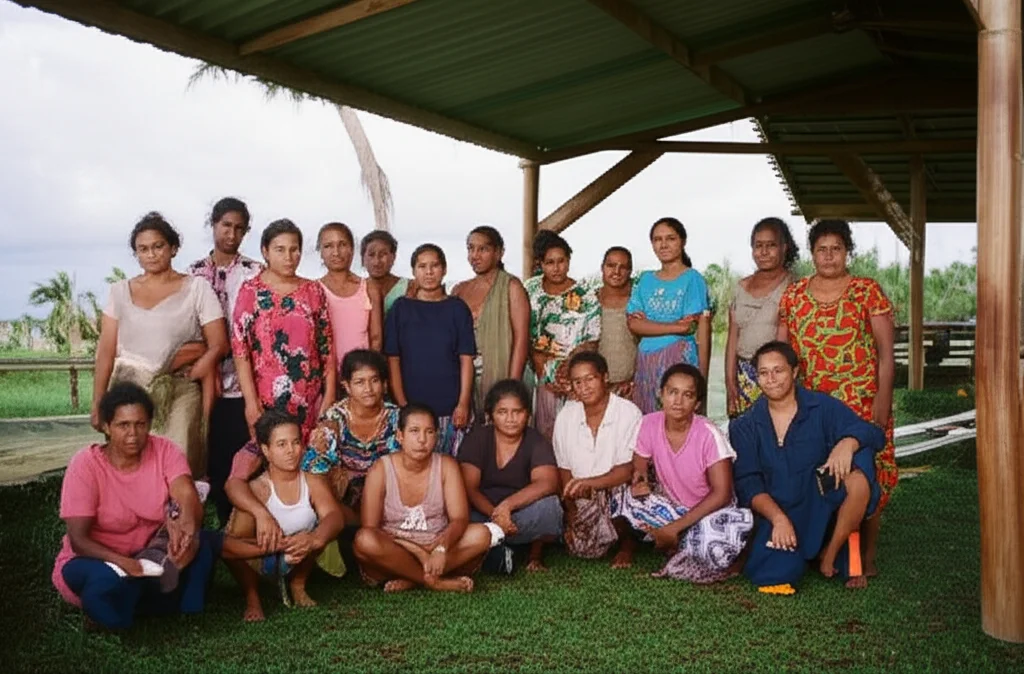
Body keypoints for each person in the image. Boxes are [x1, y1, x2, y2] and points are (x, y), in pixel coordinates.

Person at [777, 219, 896, 577]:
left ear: (847, 252)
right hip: (813, 406)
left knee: (871, 472)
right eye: (821, 249)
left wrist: (883, 402)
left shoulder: (866, 291)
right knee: (819, 473)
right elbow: (783, 356)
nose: (828, 256)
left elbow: (886, 353)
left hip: (861, 403)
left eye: (836, 249)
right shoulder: (794, 295)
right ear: (811, 253)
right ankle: (822, 547)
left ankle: (867, 556)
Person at [53, 383, 220, 629]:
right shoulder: (85, 465)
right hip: (97, 559)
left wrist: (186, 529)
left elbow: (185, 491)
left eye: (140, 424)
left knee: (202, 544)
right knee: (107, 582)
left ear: (150, 424)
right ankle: (130, 602)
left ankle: (135, 600)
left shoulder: (165, 450)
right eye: (123, 425)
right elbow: (79, 540)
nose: (133, 433)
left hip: (149, 555)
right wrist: (123, 562)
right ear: (107, 427)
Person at [730, 341, 887, 593]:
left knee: (860, 466)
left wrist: (847, 443)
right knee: (779, 573)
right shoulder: (745, 425)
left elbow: (874, 434)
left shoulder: (821, 407)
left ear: (794, 372)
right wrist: (778, 519)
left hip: (819, 499)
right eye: (763, 372)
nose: (771, 379)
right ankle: (806, 550)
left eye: (778, 370)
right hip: (777, 507)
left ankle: (831, 550)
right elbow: (749, 483)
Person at [92, 212, 228, 478]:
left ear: (173, 248)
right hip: (128, 390)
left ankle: (180, 518)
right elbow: (106, 352)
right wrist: (98, 402)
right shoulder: (119, 291)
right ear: (136, 254)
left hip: (178, 390)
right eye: (143, 249)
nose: (151, 254)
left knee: (179, 462)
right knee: (133, 462)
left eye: (158, 246)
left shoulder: (196, 288)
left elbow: (219, 343)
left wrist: (203, 363)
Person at [617, 364, 753, 583]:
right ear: (661, 395)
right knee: (624, 499)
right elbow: (639, 465)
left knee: (711, 547)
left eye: (687, 395)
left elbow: (722, 495)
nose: (678, 401)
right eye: (672, 392)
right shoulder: (648, 423)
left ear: (697, 404)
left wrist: (674, 528)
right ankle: (678, 542)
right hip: (673, 507)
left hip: (710, 512)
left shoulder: (709, 434)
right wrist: (640, 481)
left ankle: (677, 540)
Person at [353, 403, 493, 593]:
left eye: (429, 432)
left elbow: (459, 519)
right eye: (414, 431)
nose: (422, 439)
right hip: (396, 550)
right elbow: (370, 527)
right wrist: (418, 551)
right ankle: (431, 580)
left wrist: (441, 548)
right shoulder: (381, 469)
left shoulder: (446, 466)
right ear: (400, 436)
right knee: (364, 540)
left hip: (436, 545)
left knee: (482, 534)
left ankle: (411, 577)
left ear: (436, 436)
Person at [221, 410, 344, 622]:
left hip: (300, 553)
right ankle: (252, 597)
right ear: (266, 451)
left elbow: (334, 516)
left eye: (295, 442)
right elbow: (233, 544)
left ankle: (298, 585)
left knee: (319, 531)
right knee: (232, 547)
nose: (291, 451)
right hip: (262, 556)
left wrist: (314, 539)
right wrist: (279, 545)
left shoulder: (311, 479)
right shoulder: (257, 489)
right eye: (281, 444)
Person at [187, 197, 263, 524]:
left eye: (239, 228)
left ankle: (240, 521)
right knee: (208, 450)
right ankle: (214, 523)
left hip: (244, 382)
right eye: (226, 225)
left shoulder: (255, 273)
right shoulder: (191, 275)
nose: (231, 233)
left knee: (242, 451)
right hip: (203, 380)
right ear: (213, 225)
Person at [231, 218, 336, 443]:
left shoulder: (313, 290)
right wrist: (250, 403)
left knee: (308, 464)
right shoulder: (251, 291)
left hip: (309, 400)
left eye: (294, 250)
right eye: (280, 250)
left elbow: (326, 348)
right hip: (266, 399)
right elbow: (240, 351)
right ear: (265, 252)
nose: (288, 257)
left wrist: (328, 399)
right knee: (272, 461)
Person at [458, 379, 563, 573]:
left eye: (517, 412)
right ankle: (496, 544)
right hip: (483, 513)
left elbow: (547, 482)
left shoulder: (536, 441)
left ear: (528, 415)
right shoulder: (478, 438)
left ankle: (523, 552)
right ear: (490, 416)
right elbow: (468, 487)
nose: (510, 419)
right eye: (502, 412)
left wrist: (507, 507)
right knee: (457, 513)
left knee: (550, 508)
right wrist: (496, 516)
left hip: (519, 514)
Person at [385, 244, 476, 456]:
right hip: (412, 406)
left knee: (450, 469)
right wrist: (402, 405)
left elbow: (466, 359)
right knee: (415, 468)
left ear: (444, 270)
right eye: (422, 266)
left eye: (434, 266)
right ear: (413, 271)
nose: (428, 272)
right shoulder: (401, 309)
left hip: (450, 408)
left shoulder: (457, 308)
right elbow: (393, 360)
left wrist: (463, 403)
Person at [553, 352, 641, 568]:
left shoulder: (628, 412)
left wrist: (590, 483)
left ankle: (628, 543)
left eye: (590, 378)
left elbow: (628, 469)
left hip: (617, 489)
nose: (584, 386)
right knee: (583, 550)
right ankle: (597, 531)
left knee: (625, 492)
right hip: (583, 493)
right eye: (577, 382)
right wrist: (572, 512)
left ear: (605, 377)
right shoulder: (567, 415)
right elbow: (564, 470)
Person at [303, 349, 401, 524]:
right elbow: (314, 469)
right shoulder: (334, 419)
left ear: (385, 384)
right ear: (347, 386)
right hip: (344, 507)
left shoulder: (397, 419)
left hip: (388, 502)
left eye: (375, 380)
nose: (368, 389)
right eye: (359, 382)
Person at [627, 218, 711, 415]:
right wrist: (676, 326)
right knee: (649, 421)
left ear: (682, 241)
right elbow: (634, 325)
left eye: (670, 238)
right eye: (657, 239)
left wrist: (702, 380)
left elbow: (697, 329)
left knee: (678, 419)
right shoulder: (645, 280)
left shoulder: (693, 279)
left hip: (679, 361)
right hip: (646, 362)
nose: (663, 244)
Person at [526, 230, 601, 440]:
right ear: (541, 264)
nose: (556, 268)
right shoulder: (530, 290)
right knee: (545, 434)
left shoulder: (585, 295)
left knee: (575, 435)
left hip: (576, 375)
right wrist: (542, 368)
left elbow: (592, 339)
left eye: (561, 261)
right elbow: (522, 331)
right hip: (541, 375)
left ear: (569, 260)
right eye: (550, 262)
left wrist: (569, 370)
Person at [451, 226, 530, 418]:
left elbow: (521, 338)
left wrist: (512, 386)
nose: (475, 255)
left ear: (499, 252)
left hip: (501, 373)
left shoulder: (511, 286)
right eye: (470, 248)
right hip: (465, 380)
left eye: (483, 249)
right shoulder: (459, 290)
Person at [726, 217, 799, 419]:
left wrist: (772, 377)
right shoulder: (741, 287)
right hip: (742, 375)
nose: (764, 252)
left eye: (771, 245)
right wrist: (730, 383)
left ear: (784, 248)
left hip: (774, 375)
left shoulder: (793, 288)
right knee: (744, 434)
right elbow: (733, 340)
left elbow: (784, 342)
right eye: (758, 246)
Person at [317, 222, 384, 373]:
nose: (336, 252)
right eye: (328, 246)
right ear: (320, 252)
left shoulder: (369, 287)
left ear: (352, 249)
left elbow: (376, 338)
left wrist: (368, 374)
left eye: (342, 244)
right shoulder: (314, 290)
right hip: (326, 376)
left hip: (361, 376)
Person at [596, 246, 638, 399]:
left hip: (630, 387)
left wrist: (636, 380)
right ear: (602, 268)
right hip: (596, 386)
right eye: (611, 265)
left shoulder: (637, 302)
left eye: (623, 267)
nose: (616, 272)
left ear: (630, 271)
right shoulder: (591, 301)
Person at [361, 230, 409, 314]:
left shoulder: (409, 288)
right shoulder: (356, 290)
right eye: (371, 255)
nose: (377, 261)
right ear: (363, 259)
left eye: (383, 254)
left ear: (393, 257)